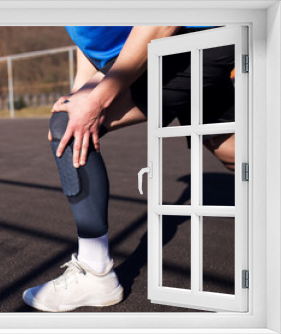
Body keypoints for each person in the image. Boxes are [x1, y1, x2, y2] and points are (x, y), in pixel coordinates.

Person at [22, 26, 236, 312]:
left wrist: (96, 101)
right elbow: (88, 39)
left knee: (68, 129)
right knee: (236, 154)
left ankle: (96, 274)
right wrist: (79, 95)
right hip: (157, 51)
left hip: (180, 43)